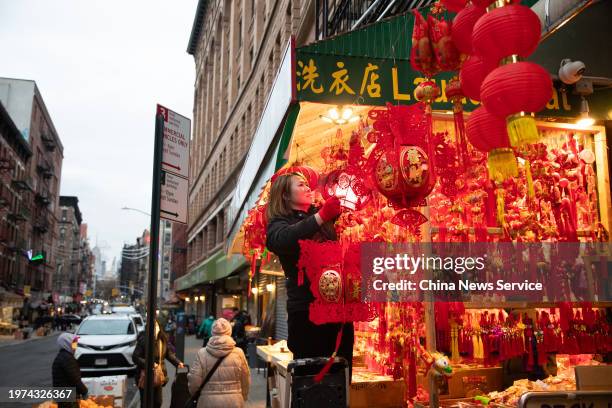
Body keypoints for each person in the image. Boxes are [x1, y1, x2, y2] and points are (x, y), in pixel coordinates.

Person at [266, 173, 354, 373]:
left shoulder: (321, 216)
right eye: (301, 184)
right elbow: (281, 240)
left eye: (308, 184)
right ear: (285, 195)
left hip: (338, 309)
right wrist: (322, 216)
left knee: (341, 373)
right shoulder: (280, 223)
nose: (308, 188)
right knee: (311, 379)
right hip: (307, 313)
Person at [188, 318, 250, 407]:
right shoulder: (238, 353)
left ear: (212, 332)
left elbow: (194, 381)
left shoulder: (202, 353)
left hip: (207, 402)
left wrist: (197, 395)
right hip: (234, 402)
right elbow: (245, 378)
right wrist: (243, 396)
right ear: (229, 331)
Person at [132, 319, 184, 408]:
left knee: (158, 402)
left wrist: (178, 363)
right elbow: (135, 357)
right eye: (152, 327)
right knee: (146, 403)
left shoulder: (162, 340)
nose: (155, 329)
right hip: (145, 376)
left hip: (159, 375)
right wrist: (148, 364)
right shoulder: (143, 340)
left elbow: (168, 354)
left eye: (156, 326)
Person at [52, 333, 88, 408]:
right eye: (74, 344)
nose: (75, 347)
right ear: (67, 344)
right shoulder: (67, 358)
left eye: (76, 344)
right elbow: (74, 378)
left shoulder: (63, 356)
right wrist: (84, 391)